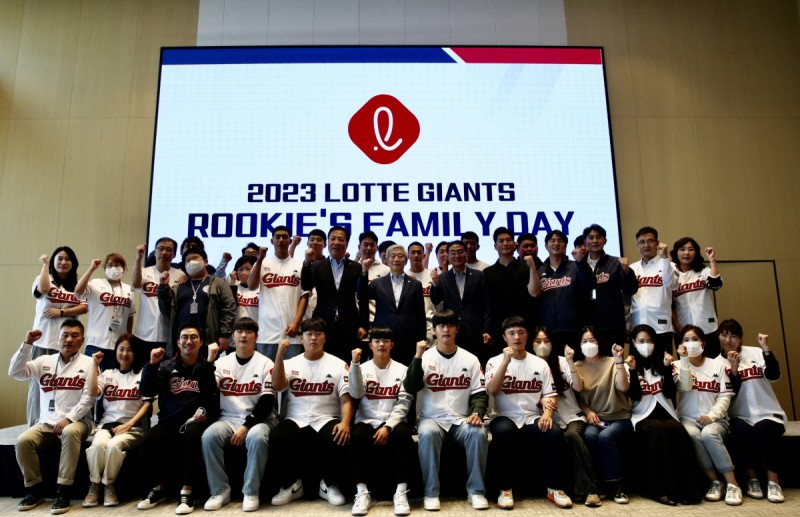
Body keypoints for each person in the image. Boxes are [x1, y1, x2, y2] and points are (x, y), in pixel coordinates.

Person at [404, 310, 490, 511]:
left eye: (450, 325)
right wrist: (417, 357)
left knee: (478, 433)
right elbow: (410, 386)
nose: (446, 330)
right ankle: (431, 493)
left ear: (457, 329)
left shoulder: (470, 359)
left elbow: (479, 394)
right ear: (434, 330)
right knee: (428, 433)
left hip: (461, 420)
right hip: (431, 418)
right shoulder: (425, 357)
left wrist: (476, 413)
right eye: (441, 326)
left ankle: (476, 492)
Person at [485, 317, 573, 509]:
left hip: (533, 416)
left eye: (521, 332)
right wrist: (505, 362)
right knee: (503, 432)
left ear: (527, 336)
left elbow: (550, 395)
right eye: (511, 333)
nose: (516, 337)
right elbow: (491, 390)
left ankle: (555, 488)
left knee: (554, 432)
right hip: (504, 416)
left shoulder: (540, 364)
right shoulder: (494, 361)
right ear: (504, 337)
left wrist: (547, 415)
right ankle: (505, 489)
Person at [10, 319, 95, 514]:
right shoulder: (44, 361)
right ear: (58, 338)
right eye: (65, 335)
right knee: (23, 441)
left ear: (82, 340)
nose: (69, 339)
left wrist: (69, 419)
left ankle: (63, 490)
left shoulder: (89, 363)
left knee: (70, 432)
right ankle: (34, 489)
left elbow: (89, 398)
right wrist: (27, 344)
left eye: (74, 335)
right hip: (46, 423)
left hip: (78, 422)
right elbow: (16, 372)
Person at [269, 318, 353, 507]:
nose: (313, 338)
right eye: (309, 334)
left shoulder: (338, 364)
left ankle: (329, 485)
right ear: (302, 338)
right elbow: (277, 385)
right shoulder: (290, 363)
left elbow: (346, 400)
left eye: (318, 334)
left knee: (338, 435)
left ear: (325, 338)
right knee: (277, 437)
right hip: (296, 418)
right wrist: (280, 353)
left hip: (327, 417)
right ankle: (291, 485)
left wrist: (345, 422)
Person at [137, 323, 219, 514]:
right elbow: (147, 391)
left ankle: (187, 491)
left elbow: (212, 395)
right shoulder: (166, 366)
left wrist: (208, 416)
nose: (189, 341)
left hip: (195, 422)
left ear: (201, 342)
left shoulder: (205, 366)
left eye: (193, 337)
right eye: (184, 337)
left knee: (191, 436)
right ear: (178, 342)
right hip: (169, 421)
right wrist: (151, 365)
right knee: (149, 440)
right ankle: (158, 488)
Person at [201, 317, 277, 512]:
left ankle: (251, 491)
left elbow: (267, 403)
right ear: (232, 337)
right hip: (228, 418)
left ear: (256, 337)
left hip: (260, 420)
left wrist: (246, 426)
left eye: (249, 332)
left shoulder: (265, 363)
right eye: (239, 332)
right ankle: (220, 491)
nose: (243, 335)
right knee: (209, 436)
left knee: (257, 437)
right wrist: (209, 362)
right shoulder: (221, 362)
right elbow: (207, 390)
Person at [625, 324, 702, 505]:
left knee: (677, 429)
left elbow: (669, 393)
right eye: (641, 341)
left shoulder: (666, 362)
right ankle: (660, 490)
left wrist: (667, 368)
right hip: (642, 416)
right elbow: (634, 396)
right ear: (634, 343)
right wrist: (633, 371)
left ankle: (686, 490)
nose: (646, 344)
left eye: (649, 340)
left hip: (666, 412)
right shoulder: (630, 365)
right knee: (658, 430)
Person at [716, 319, 786, 503]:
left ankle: (773, 482)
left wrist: (766, 349)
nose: (728, 340)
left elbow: (774, 376)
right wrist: (733, 370)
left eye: (734, 336)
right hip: (740, 414)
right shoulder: (716, 363)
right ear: (718, 336)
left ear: (740, 339)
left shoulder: (756, 352)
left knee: (764, 429)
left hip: (767, 412)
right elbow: (729, 394)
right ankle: (752, 480)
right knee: (740, 431)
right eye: (724, 335)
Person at [348, 328, 415, 516]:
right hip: (366, 420)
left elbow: (404, 403)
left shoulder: (403, 369)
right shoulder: (361, 368)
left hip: (392, 421)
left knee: (403, 435)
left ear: (392, 344)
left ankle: (401, 492)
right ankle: (362, 493)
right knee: (357, 436)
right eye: (377, 341)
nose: (381, 345)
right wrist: (354, 365)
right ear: (370, 345)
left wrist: (388, 427)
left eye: (385, 341)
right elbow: (356, 393)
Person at [531, 327, 600, 506]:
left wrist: (570, 362)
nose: (542, 345)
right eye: (538, 341)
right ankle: (557, 488)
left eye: (546, 341)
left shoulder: (562, 362)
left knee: (572, 436)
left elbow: (579, 387)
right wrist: (541, 401)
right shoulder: (529, 365)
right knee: (552, 436)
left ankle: (589, 490)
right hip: (546, 418)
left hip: (572, 416)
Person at [83, 334, 153, 508]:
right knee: (98, 445)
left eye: (129, 350)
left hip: (133, 427)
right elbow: (92, 392)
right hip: (106, 426)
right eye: (121, 349)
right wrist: (94, 365)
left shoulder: (142, 374)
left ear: (136, 353)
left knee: (114, 446)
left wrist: (129, 424)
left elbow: (147, 404)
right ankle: (94, 486)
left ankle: (109, 485)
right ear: (115, 352)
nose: (124, 354)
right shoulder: (107, 374)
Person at [673, 325, 741, 505]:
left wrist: (712, 416)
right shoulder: (676, 366)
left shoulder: (718, 365)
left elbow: (725, 396)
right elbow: (685, 386)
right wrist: (684, 360)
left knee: (709, 434)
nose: (691, 343)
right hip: (688, 419)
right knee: (694, 435)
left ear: (703, 343)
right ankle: (715, 482)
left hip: (716, 419)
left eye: (695, 339)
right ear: (680, 344)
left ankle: (732, 484)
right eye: (686, 340)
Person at [27, 247, 88, 426]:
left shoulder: (77, 285)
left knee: (66, 387)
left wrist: (62, 312)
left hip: (67, 344)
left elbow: (85, 306)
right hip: (43, 340)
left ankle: (61, 425)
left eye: (67, 259)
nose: (63, 262)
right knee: (39, 386)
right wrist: (45, 265)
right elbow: (44, 289)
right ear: (53, 261)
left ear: (73, 263)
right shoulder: (43, 278)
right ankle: (34, 425)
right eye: (59, 258)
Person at [574, 326, 631, 504]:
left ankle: (616, 485)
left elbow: (623, 387)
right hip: (595, 419)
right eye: (584, 341)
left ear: (599, 342)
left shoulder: (613, 362)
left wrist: (619, 361)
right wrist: (588, 412)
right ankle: (598, 484)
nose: (588, 344)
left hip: (619, 417)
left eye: (592, 340)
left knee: (605, 437)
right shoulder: (576, 366)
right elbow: (576, 397)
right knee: (590, 437)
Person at [301, 226, 367, 361]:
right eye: (333, 239)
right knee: (322, 362)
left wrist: (363, 324)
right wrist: (307, 263)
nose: (336, 242)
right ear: (328, 242)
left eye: (341, 239)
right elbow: (306, 286)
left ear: (347, 243)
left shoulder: (356, 267)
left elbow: (363, 297)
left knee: (348, 363)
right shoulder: (317, 266)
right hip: (323, 323)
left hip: (349, 324)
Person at [158, 246, 236, 357]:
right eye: (187, 260)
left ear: (206, 262)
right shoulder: (179, 286)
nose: (191, 262)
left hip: (208, 340)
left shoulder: (219, 283)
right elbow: (166, 310)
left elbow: (228, 308)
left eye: (194, 258)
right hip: (182, 341)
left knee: (207, 366)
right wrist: (163, 287)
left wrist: (224, 334)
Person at [358, 244, 426, 365]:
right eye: (393, 256)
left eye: (400, 256)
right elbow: (362, 295)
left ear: (406, 260)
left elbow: (421, 315)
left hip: (408, 338)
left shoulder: (415, 284)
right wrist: (364, 272)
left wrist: (422, 339)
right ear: (387, 260)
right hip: (383, 338)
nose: (396, 259)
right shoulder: (378, 283)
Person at [249, 226, 308, 360]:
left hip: (291, 333)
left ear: (290, 241)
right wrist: (259, 259)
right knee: (267, 371)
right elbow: (251, 286)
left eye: (285, 237)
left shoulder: (300, 265)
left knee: (291, 371)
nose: (281, 240)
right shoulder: (262, 263)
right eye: (277, 237)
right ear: (272, 241)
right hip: (267, 333)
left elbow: (304, 296)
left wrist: (296, 323)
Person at [530, 230, 595, 353]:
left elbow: (590, 285)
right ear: (546, 246)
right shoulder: (539, 271)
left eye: (560, 241)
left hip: (573, 329)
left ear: (565, 245)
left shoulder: (576, 267)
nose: (556, 243)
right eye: (552, 241)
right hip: (547, 332)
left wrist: (581, 263)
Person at [429, 240, 492, 365]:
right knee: (454, 364)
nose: (457, 256)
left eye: (460, 252)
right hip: (452, 330)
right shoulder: (443, 278)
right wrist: (435, 284)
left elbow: (487, 304)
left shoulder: (479, 275)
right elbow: (436, 299)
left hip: (475, 330)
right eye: (453, 253)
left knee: (477, 363)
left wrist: (487, 329)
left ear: (466, 254)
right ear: (448, 256)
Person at [75, 253, 136, 372]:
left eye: (117, 265)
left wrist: (128, 337)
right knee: (92, 378)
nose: (113, 268)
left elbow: (130, 315)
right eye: (110, 265)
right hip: (96, 342)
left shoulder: (129, 289)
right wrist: (91, 269)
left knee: (112, 379)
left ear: (124, 268)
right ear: (105, 268)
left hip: (118, 345)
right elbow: (78, 291)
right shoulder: (95, 283)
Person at [582, 224, 638, 353]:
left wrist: (627, 272)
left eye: (599, 237)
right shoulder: (579, 265)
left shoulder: (616, 263)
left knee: (614, 360)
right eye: (591, 237)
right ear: (585, 241)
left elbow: (630, 290)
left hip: (612, 325)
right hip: (587, 326)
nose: (595, 241)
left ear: (605, 240)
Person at [132, 239, 182, 368]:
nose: (164, 252)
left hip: (167, 337)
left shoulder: (180, 275)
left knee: (164, 374)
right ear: (155, 252)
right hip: (143, 334)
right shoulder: (144, 272)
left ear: (174, 254)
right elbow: (135, 284)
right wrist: (138, 258)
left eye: (169, 249)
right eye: (160, 248)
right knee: (142, 372)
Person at [483, 227, 535, 347]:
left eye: (508, 240)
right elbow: (486, 304)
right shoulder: (487, 273)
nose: (505, 243)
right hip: (497, 329)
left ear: (514, 244)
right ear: (495, 246)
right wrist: (487, 329)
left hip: (523, 327)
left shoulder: (526, 269)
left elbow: (534, 296)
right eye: (501, 241)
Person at [671, 237, 723, 357]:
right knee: (686, 364)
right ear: (675, 253)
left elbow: (716, 285)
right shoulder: (672, 275)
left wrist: (712, 261)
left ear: (696, 252)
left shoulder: (703, 271)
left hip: (708, 328)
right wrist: (677, 326)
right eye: (682, 249)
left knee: (712, 362)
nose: (686, 253)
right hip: (683, 330)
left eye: (691, 249)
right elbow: (669, 305)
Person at [630, 227, 677, 354]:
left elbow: (672, 284)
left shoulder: (670, 265)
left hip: (661, 327)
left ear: (657, 243)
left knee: (664, 364)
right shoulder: (632, 268)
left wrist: (665, 258)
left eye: (650, 241)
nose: (646, 245)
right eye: (642, 242)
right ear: (637, 246)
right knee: (637, 365)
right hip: (637, 327)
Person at [357, 231, 391, 330]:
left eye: (372, 245)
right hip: (357, 324)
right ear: (359, 247)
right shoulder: (353, 268)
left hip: (380, 324)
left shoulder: (386, 270)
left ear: (377, 248)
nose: (368, 248)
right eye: (365, 245)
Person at [406, 241, 435, 343]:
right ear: (408, 255)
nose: (416, 255)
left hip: (431, 326)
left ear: (424, 255)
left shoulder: (432, 276)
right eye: (413, 252)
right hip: (410, 327)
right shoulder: (404, 276)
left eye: (419, 252)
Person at [231, 255, 259, 323]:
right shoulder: (233, 288)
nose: (244, 272)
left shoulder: (261, 288)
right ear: (236, 272)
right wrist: (232, 282)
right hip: (237, 328)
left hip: (257, 327)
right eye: (241, 269)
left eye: (248, 269)